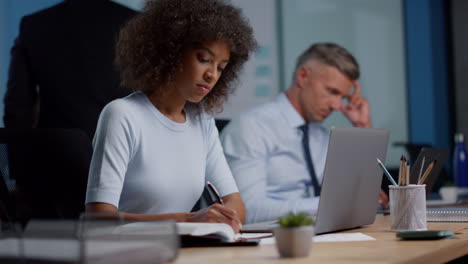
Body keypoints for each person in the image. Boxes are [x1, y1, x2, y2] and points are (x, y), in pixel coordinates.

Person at [85, 0, 256, 233]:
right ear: (171, 51)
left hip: (179, 250)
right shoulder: (122, 115)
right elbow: (99, 219)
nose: (211, 75)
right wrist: (185, 220)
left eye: (220, 67)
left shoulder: (202, 121)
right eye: (204, 59)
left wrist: (227, 216)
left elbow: (235, 203)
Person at [220, 43, 389, 224]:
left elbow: (360, 192)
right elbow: (247, 210)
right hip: (271, 242)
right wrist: (329, 204)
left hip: (319, 236)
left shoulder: (321, 136)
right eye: (332, 91)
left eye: (343, 97)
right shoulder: (252, 127)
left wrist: (362, 125)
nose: (337, 105)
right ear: (303, 76)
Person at [3, 0, 137, 140]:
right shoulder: (137, 25)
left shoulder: (34, 25)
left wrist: (21, 159)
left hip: (56, 155)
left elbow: (16, 110)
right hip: (125, 154)